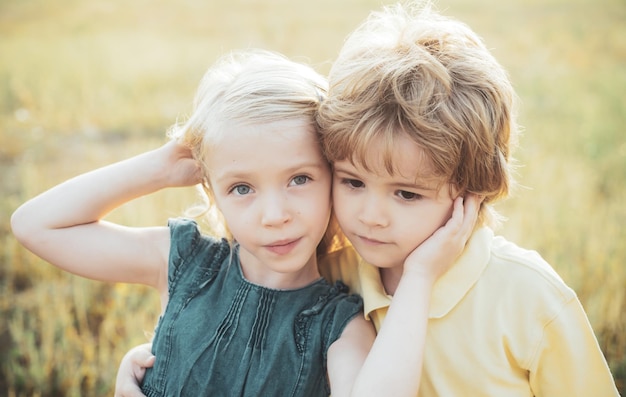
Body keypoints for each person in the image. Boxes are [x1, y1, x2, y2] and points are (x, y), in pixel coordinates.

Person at [117, 1, 621, 396]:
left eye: (406, 193)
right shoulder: (331, 272)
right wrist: (150, 364)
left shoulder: (529, 299)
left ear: (472, 188)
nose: (370, 216)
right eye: (353, 182)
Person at [11, 48, 478, 396]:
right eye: (241, 188)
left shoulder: (338, 323)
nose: (274, 216)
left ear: (336, 175)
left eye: (299, 179)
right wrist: (160, 167)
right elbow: (35, 226)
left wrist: (419, 276)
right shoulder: (184, 264)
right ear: (210, 189)